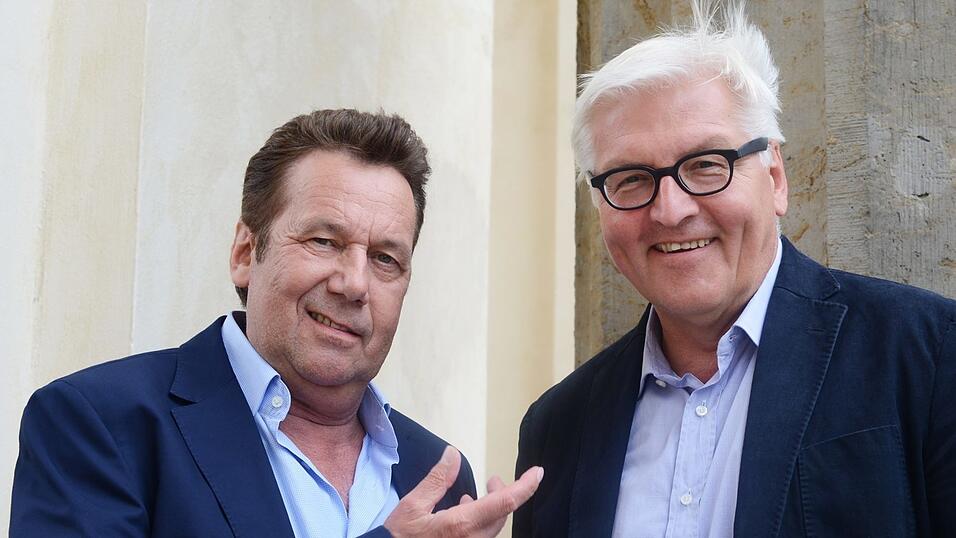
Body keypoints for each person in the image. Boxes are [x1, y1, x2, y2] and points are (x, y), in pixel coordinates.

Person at [513, 2, 955, 537]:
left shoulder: (926, 359)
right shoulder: (559, 427)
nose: (671, 210)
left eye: (705, 165)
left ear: (776, 178)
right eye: (630, 178)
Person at [12, 109, 542, 537]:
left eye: (385, 259)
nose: (353, 283)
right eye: (323, 241)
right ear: (246, 252)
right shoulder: (102, 423)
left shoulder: (438, 475)